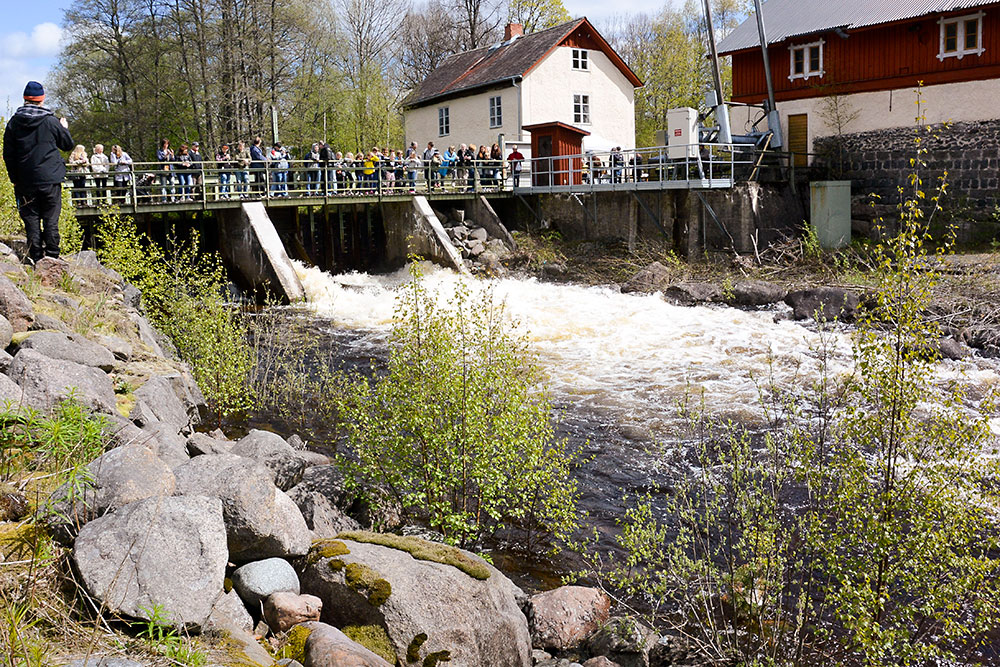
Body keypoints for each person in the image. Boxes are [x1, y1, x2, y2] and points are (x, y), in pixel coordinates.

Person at [2, 81, 74, 263]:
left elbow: (8, 155)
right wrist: (64, 129)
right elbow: (67, 145)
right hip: (50, 179)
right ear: (41, 100)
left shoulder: (14, 123)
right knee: (51, 218)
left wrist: (14, 179)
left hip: (25, 180)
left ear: (25, 99)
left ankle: (35, 257)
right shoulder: (51, 121)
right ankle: (52, 257)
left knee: (31, 219)